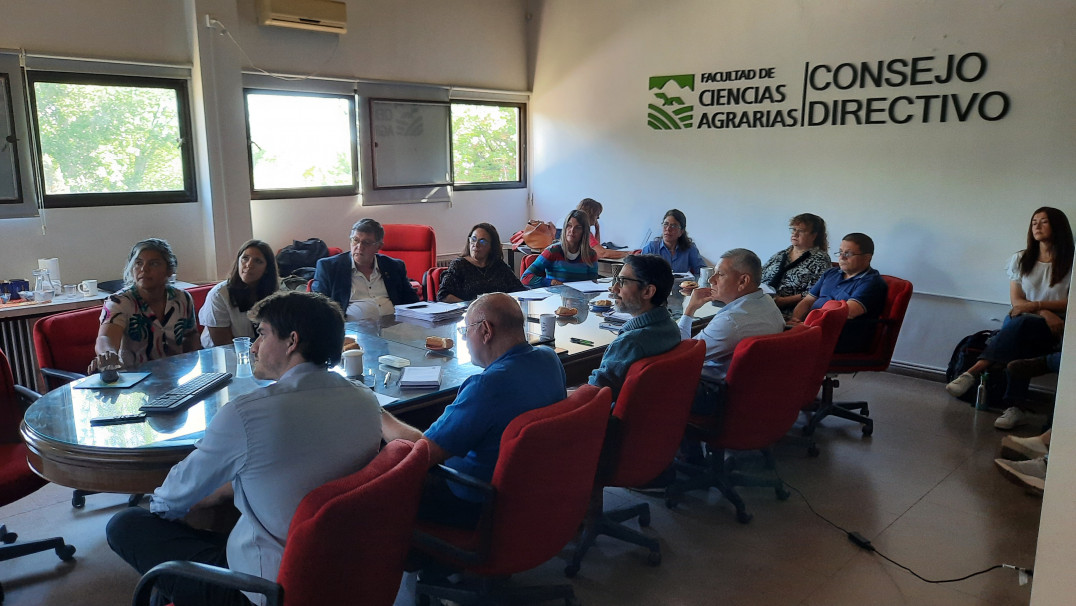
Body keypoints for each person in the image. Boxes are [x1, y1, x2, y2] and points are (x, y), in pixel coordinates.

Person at [106, 291, 382, 606]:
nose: (253, 346)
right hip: (345, 571)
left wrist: (203, 497)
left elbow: (169, 502)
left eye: (261, 334)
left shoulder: (248, 413)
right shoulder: (364, 399)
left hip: (264, 590)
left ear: (291, 341)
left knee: (127, 524)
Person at [380, 292, 566, 528]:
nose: (465, 339)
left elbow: (420, 453)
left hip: (475, 501)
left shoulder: (487, 386)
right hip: (530, 490)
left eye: (466, 330)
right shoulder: (550, 358)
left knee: (384, 468)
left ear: (486, 331)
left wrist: (376, 412)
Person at [946, 207, 1073, 430]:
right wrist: (1041, 310)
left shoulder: (1072, 261)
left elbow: (1070, 303)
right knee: (1020, 326)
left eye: (1044, 222)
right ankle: (1015, 407)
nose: (1037, 226)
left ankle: (974, 371)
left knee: (1018, 324)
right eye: (1034, 221)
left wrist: (1035, 306)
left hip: (1058, 327)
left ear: (1058, 227)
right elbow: (1017, 302)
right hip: (1026, 322)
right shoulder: (1021, 259)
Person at [679, 249, 785, 418]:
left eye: (720, 274)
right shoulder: (767, 302)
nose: (711, 280)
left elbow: (681, 356)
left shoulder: (731, 322)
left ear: (743, 281)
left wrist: (689, 310)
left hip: (714, 393)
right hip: (752, 391)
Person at [90, 238, 198, 373]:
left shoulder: (182, 298)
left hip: (176, 375)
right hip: (135, 381)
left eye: (154, 264)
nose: (144, 269)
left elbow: (192, 337)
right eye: (138, 263)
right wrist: (108, 354)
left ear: (169, 270)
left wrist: (194, 372)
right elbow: (105, 337)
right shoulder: (120, 301)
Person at [587, 254, 680, 400]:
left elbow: (594, 395)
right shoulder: (672, 328)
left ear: (648, 291)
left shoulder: (630, 343)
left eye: (622, 282)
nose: (614, 288)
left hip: (610, 419)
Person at [790, 232, 888, 353]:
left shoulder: (872, 282)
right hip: (812, 329)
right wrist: (796, 320)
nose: (842, 257)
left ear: (867, 258)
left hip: (842, 336)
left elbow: (844, 313)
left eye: (848, 253)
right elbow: (807, 301)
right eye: (840, 252)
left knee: (780, 349)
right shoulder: (831, 273)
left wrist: (807, 328)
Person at [312, 218, 420, 322]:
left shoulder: (394, 266)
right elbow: (320, 309)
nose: (359, 247)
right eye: (355, 240)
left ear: (378, 246)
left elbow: (412, 302)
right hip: (351, 334)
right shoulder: (329, 267)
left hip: (395, 331)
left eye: (366, 242)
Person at [199, 239, 280, 347]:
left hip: (261, 353)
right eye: (245, 258)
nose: (249, 265)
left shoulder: (276, 293)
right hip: (221, 355)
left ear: (267, 269)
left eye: (258, 261)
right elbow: (223, 344)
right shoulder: (219, 295)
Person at [760, 213, 832, 317]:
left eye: (801, 231)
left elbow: (815, 292)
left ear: (814, 235)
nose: (795, 234)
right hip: (762, 303)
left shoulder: (820, 259)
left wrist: (782, 301)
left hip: (787, 312)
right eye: (793, 230)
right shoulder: (781, 254)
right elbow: (760, 276)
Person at [437, 223, 525, 302]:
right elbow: (443, 295)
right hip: (468, 315)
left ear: (491, 246)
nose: (476, 244)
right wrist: (470, 306)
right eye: (473, 239)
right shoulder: (459, 265)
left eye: (482, 241)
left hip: (496, 314)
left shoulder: (498, 265)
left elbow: (519, 289)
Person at [521, 210, 600, 286]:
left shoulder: (591, 255)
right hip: (556, 297)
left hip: (581, 298)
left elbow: (592, 284)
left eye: (578, 227)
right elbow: (525, 278)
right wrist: (551, 282)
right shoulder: (552, 251)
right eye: (569, 226)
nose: (572, 231)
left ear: (584, 231)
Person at [641, 209, 706, 276]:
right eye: (665, 224)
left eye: (673, 226)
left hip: (683, 285)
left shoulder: (690, 248)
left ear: (681, 232)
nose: (668, 229)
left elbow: (702, 271)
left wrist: (693, 282)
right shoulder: (651, 248)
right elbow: (641, 273)